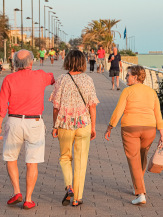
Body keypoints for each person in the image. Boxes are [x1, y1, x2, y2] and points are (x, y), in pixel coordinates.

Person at [0, 49, 55, 209]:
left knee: (11, 158)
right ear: (31, 63)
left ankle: (17, 191)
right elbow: (52, 79)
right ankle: (28, 199)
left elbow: (2, 106)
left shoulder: (8, 79)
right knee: (32, 162)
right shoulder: (40, 75)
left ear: (15, 64)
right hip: (34, 123)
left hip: (14, 121)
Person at [104, 65, 163, 205]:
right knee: (142, 156)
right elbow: (158, 113)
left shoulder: (127, 91)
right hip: (149, 129)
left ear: (135, 77)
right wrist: (161, 131)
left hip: (130, 128)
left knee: (133, 159)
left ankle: (140, 193)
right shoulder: (152, 92)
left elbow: (119, 110)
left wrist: (110, 127)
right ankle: (139, 186)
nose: (126, 77)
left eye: (128, 75)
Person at [49, 50, 99, 207]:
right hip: (84, 124)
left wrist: (55, 125)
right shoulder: (88, 80)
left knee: (65, 157)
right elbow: (92, 106)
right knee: (81, 161)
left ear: (68, 61)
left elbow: (56, 107)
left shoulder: (62, 79)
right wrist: (93, 127)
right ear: (83, 63)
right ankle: (77, 197)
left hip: (65, 124)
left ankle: (68, 186)